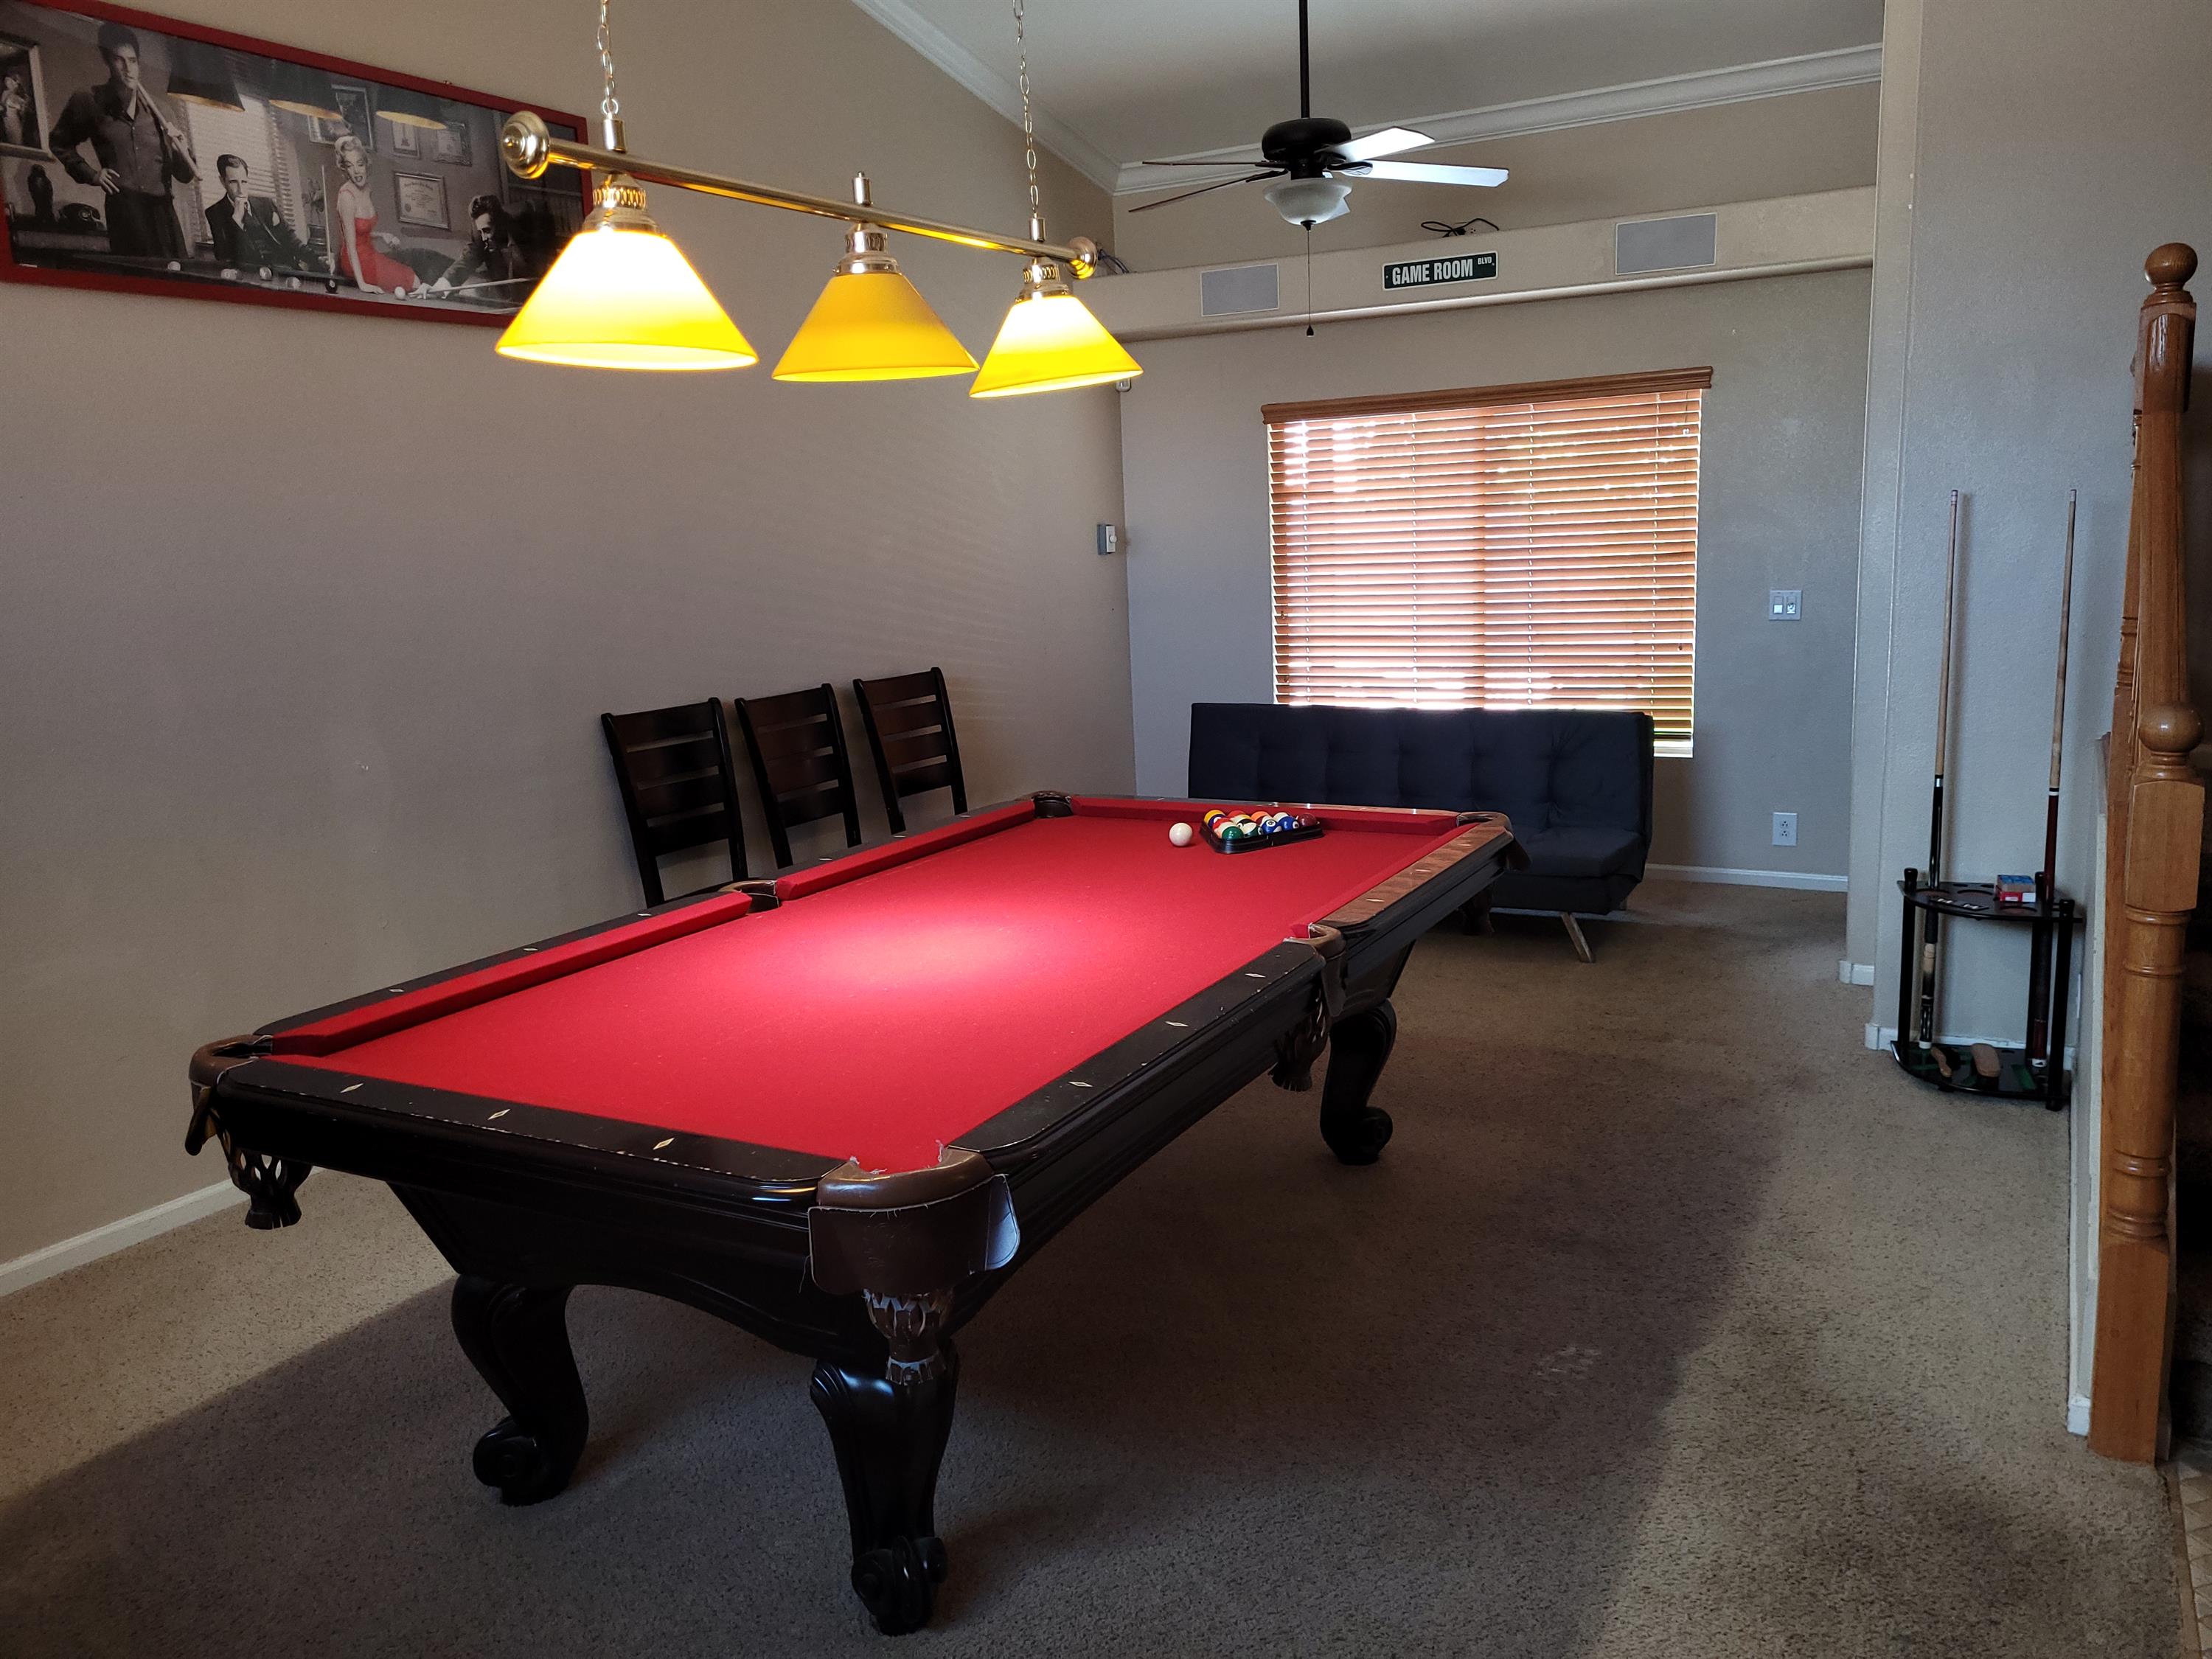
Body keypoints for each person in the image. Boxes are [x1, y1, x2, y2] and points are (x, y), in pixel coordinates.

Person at [46, 21, 198, 259]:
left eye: (133, 60)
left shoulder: (162, 111)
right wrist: (91, 175)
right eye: (119, 60)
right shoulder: (89, 100)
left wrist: (183, 150)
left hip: (164, 214)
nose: (128, 69)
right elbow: (60, 143)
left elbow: (185, 175)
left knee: (176, 277)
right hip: (125, 211)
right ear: (107, 61)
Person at [329, 131, 420, 295]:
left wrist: (382, 235)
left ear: (366, 164)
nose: (356, 171)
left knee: (412, 278)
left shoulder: (367, 189)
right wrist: (362, 284)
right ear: (345, 169)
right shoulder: (347, 197)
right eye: (350, 166)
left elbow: (361, 232)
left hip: (370, 254)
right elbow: (351, 245)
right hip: (354, 261)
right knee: (412, 281)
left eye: (359, 164)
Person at [204, 153, 302, 271]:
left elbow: (290, 239)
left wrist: (316, 259)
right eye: (233, 182)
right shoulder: (215, 213)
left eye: (244, 182)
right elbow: (224, 257)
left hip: (284, 269)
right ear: (223, 181)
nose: (241, 190)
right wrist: (237, 222)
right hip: (250, 274)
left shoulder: (266, 204)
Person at [430, 194, 529, 294]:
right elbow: (466, 260)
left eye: (487, 231)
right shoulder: (480, 233)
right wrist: (438, 288)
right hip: (507, 291)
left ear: (499, 224)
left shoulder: (523, 226)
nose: (483, 237)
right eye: (480, 232)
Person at [0, 63, 37, 149]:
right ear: (7, 81)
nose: (17, 84)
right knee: (15, 139)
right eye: (14, 80)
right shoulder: (8, 95)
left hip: (14, 120)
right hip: (11, 120)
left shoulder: (13, 95)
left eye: (18, 81)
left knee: (17, 139)